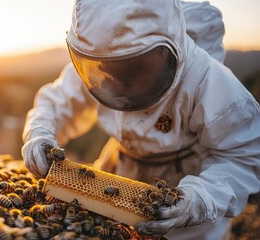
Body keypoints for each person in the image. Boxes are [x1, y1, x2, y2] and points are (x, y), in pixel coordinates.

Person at [21, 0, 260, 239]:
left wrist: (201, 200)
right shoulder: (104, 59)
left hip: (185, 200)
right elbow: (58, 103)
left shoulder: (211, 84)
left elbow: (243, 156)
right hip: (117, 175)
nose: (118, 80)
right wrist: (40, 131)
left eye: (134, 68)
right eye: (107, 67)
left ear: (166, 50)